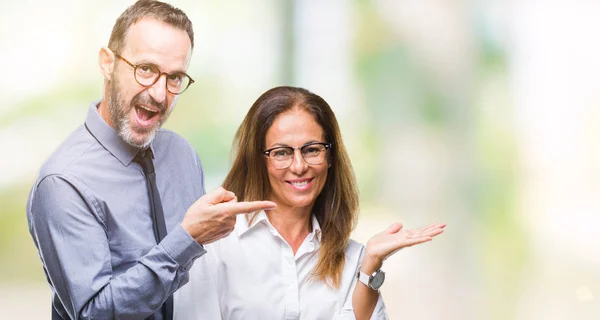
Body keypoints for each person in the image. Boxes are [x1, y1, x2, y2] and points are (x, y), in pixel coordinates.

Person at [26, 1, 275, 319]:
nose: (159, 94)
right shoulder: (63, 182)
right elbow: (93, 314)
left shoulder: (182, 155)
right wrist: (187, 239)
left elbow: (203, 280)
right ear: (107, 63)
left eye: (174, 78)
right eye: (145, 69)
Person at [174, 86, 446, 319]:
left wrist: (369, 266)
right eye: (281, 152)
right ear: (258, 160)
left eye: (312, 149)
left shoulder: (354, 260)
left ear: (330, 157)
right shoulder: (217, 245)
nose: (299, 166)